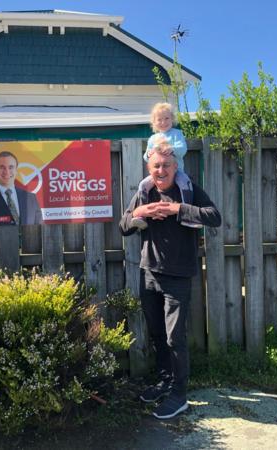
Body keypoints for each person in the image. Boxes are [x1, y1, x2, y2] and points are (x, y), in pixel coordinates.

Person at [119, 144, 221, 420]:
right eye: (156, 166)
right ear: (149, 169)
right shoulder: (145, 193)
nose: (161, 170)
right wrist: (144, 213)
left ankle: (179, 394)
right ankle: (164, 382)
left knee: (175, 338)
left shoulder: (187, 190)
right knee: (157, 335)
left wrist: (178, 209)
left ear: (175, 167)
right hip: (149, 273)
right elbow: (124, 225)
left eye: (166, 165)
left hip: (178, 275)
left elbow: (214, 217)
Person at [131, 102, 199, 230]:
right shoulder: (152, 139)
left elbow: (182, 149)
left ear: (172, 119)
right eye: (159, 119)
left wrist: (171, 149)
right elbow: (146, 157)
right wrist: (149, 153)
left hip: (176, 172)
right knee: (143, 185)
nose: (163, 122)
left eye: (167, 118)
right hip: (157, 175)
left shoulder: (176, 134)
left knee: (186, 183)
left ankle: (187, 216)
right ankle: (141, 216)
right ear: (154, 123)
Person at [0, 151, 42, 225]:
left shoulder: (31, 198)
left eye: (11, 167)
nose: (7, 172)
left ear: (16, 170)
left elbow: (39, 228)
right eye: (2, 167)